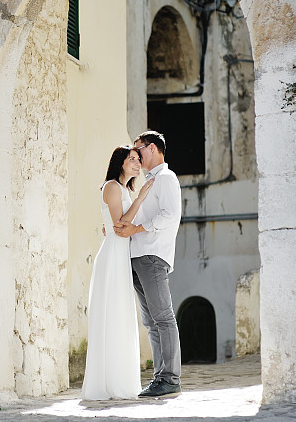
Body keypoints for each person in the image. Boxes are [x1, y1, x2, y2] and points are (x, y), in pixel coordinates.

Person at [82, 146, 155, 400]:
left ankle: (120, 382)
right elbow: (120, 225)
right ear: (120, 163)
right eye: (131, 159)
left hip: (122, 255)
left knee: (121, 317)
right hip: (112, 255)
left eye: (138, 159)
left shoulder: (125, 189)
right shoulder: (112, 186)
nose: (136, 163)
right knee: (111, 315)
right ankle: (107, 384)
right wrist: (141, 197)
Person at [114, 131, 182, 398]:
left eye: (138, 149)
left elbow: (170, 215)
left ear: (151, 148)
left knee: (163, 318)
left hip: (153, 255)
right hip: (139, 256)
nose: (135, 155)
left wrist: (138, 228)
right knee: (152, 322)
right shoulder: (148, 182)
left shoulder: (166, 178)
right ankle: (159, 378)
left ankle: (170, 378)